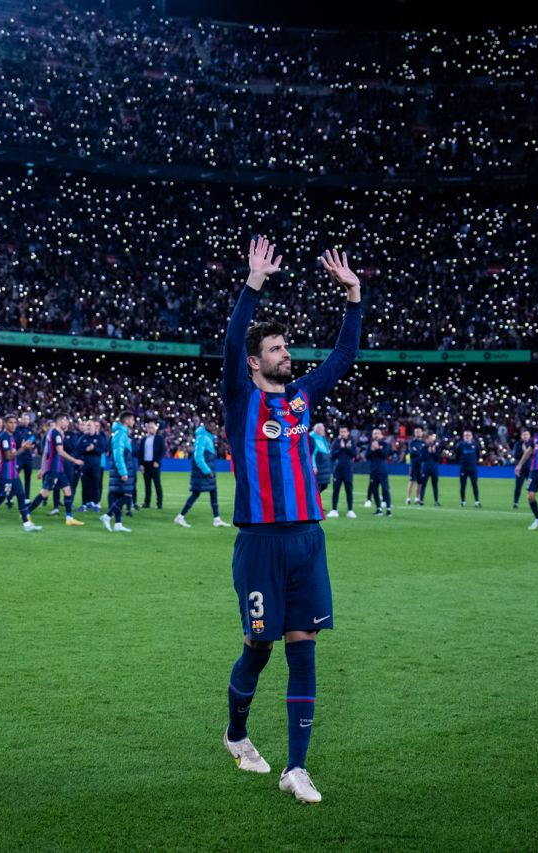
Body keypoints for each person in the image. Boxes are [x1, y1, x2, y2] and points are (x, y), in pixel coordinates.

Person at [220, 237, 362, 805]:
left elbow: (343, 358)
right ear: (256, 362)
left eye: (285, 346)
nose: (286, 353)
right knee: (260, 648)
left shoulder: (302, 397)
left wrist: (353, 299)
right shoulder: (238, 397)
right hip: (259, 543)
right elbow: (233, 341)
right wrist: (253, 283)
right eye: (276, 348)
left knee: (303, 648)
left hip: (307, 540)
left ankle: (296, 768)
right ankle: (236, 734)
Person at [0, 410, 43, 533]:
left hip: (12, 473)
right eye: (10, 422)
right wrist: (23, 448)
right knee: (1, 497)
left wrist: (25, 447)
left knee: (21, 496)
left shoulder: (11, 437)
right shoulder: (4, 437)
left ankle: (27, 524)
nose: (13, 425)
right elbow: (8, 456)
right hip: (5, 473)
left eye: (15, 422)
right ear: (5, 423)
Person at [26, 414, 85, 526]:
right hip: (54, 468)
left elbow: (45, 452)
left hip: (58, 468)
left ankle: (69, 518)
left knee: (67, 491)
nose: (67, 423)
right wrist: (75, 460)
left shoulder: (50, 432)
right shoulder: (56, 434)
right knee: (45, 493)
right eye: (66, 421)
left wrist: (42, 468)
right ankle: (26, 512)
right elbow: (60, 451)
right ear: (61, 421)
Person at [175, 420, 229, 528]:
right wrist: (207, 471)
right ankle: (180, 517)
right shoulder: (202, 437)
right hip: (202, 472)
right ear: (205, 425)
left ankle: (217, 519)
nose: (213, 427)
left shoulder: (208, 437)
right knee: (196, 494)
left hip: (206, 471)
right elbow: (198, 456)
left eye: (214, 425)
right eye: (211, 424)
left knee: (213, 492)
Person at [101, 412, 136, 533]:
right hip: (121, 470)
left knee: (118, 495)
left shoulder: (120, 433)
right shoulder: (121, 434)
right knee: (127, 495)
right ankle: (107, 516)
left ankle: (118, 524)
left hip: (120, 469)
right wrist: (123, 472)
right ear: (126, 420)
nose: (133, 422)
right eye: (132, 419)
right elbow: (118, 454)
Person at [325, 426, 357, 519]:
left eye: (344, 431)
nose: (342, 433)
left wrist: (347, 448)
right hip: (337, 470)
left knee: (349, 490)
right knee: (336, 490)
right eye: (341, 431)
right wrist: (341, 448)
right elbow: (332, 456)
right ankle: (334, 510)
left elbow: (354, 455)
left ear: (348, 433)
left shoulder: (351, 442)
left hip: (348, 470)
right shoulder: (336, 442)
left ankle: (350, 510)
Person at [138, 419, 165, 509]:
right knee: (147, 485)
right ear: (147, 429)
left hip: (155, 464)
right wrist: (140, 464)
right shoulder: (143, 439)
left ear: (155, 429)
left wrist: (158, 461)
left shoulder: (159, 438)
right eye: (149, 427)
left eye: (152, 427)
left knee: (157, 484)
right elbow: (140, 453)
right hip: (146, 465)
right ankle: (147, 503)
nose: (151, 429)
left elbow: (162, 451)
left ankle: (159, 503)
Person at [79, 419, 105, 511]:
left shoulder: (99, 438)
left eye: (91, 426)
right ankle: (84, 504)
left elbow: (102, 449)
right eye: (88, 426)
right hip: (85, 465)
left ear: (95, 427)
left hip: (96, 465)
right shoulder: (83, 437)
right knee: (85, 485)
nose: (89, 427)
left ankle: (96, 504)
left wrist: (94, 448)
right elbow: (78, 450)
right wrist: (86, 450)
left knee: (96, 485)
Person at [366, 428, 393, 517]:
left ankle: (388, 509)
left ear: (381, 435)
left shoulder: (385, 444)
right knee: (374, 490)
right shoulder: (370, 445)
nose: (376, 435)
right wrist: (372, 450)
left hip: (382, 470)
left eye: (378, 433)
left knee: (385, 489)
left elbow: (385, 455)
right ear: (372, 435)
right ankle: (379, 509)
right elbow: (367, 457)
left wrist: (377, 449)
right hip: (373, 471)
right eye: (374, 433)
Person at [457, 429, 481, 508]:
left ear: (471, 436)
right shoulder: (460, 445)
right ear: (463, 437)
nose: (467, 437)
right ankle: (463, 501)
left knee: (474, 484)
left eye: (468, 435)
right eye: (465, 435)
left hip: (473, 468)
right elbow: (457, 455)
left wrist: (473, 462)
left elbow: (478, 455)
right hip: (463, 468)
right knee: (463, 485)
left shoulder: (475, 445)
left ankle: (477, 501)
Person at [510, 427, 532, 509]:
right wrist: (524, 451)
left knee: (531, 487)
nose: (525, 436)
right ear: (521, 436)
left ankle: (531, 502)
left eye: (527, 434)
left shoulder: (532, 444)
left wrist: (526, 450)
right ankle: (516, 502)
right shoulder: (518, 444)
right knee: (518, 486)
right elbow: (515, 455)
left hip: (530, 468)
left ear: (530, 435)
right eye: (524, 434)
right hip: (520, 468)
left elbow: (534, 455)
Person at [309, 423, 332, 499]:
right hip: (318, 466)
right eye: (322, 429)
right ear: (317, 429)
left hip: (324, 466)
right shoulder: (312, 438)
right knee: (316, 486)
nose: (324, 430)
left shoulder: (322, 438)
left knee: (324, 485)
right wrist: (314, 466)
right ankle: (314, 504)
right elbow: (312, 454)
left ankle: (315, 503)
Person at [405, 427, 426, 505]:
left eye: (419, 432)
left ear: (422, 433)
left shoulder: (424, 443)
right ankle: (408, 498)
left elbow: (424, 453)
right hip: (413, 464)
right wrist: (420, 453)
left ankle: (417, 498)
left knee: (420, 483)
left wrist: (418, 452)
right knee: (411, 481)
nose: (418, 433)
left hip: (421, 465)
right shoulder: (411, 442)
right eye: (416, 432)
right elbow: (412, 452)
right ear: (414, 433)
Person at [420, 432, 441, 506]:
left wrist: (434, 452)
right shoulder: (424, 448)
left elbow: (438, 459)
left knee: (435, 485)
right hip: (425, 468)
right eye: (429, 438)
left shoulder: (437, 448)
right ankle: (421, 500)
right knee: (423, 485)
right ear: (426, 440)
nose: (430, 440)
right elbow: (421, 458)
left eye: (431, 438)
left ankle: (436, 501)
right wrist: (428, 452)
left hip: (434, 469)